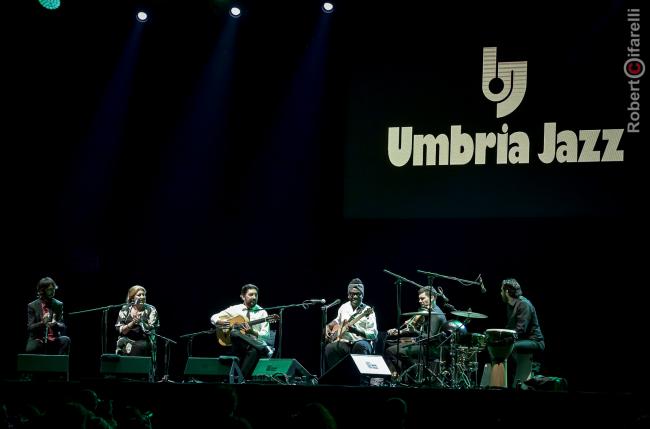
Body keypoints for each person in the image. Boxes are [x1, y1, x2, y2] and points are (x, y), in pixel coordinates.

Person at [210, 284, 273, 379]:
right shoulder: (234, 309)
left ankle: (240, 380)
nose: (254, 297)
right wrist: (222, 322)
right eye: (251, 295)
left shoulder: (262, 312)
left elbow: (266, 335)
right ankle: (263, 348)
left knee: (254, 351)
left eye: (256, 295)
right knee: (234, 332)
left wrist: (252, 332)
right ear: (243, 296)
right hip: (236, 344)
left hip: (251, 345)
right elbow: (214, 317)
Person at [383, 286, 446, 380]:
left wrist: (415, 332)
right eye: (419, 299)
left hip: (432, 348)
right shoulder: (427, 311)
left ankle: (415, 374)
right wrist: (399, 332)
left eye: (422, 298)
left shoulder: (435, 315)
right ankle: (401, 376)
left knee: (392, 351)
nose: (420, 301)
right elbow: (414, 328)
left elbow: (431, 337)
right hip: (423, 343)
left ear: (432, 297)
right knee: (389, 344)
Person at [324, 278, 378, 371]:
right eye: (352, 294)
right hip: (345, 342)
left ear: (362, 295)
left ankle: (359, 381)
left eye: (358, 294)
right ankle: (337, 377)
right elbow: (337, 320)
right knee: (330, 348)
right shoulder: (344, 307)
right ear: (348, 295)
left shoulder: (368, 311)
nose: (355, 297)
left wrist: (356, 331)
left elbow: (373, 334)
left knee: (360, 346)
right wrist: (328, 326)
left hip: (362, 342)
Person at [501, 278, 545, 386]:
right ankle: (503, 382)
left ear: (506, 292)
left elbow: (520, 330)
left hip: (535, 342)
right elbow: (510, 328)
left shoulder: (524, 304)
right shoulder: (510, 305)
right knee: (501, 346)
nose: (500, 293)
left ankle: (516, 382)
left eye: (501, 290)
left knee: (511, 347)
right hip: (522, 340)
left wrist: (506, 340)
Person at [26, 277, 71, 354]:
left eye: (53, 289)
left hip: (53, 339)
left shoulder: (58, 305)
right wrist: (42, 323)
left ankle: (58, 365)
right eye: (49, 289)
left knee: (66, 340)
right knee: (37, 345)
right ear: (42, 291)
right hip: (38, 339)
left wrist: (55, 324)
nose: (53, 292)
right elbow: (30, 327)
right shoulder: (32, 305)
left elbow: (63, 326)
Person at [115, 285, 159, 357]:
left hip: (144, 340)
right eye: (139, 295)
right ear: (132, 298)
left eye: (143, 295)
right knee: (121, 342)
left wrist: (141, 322)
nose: (142, 297)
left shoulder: (151, 309)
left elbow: (151, 328)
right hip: (127, 339)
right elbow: (120, 329)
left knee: (138, 346)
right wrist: (132, 323)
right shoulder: (125, 309)